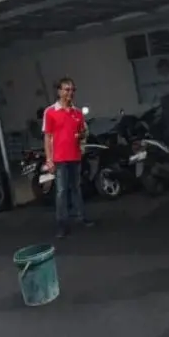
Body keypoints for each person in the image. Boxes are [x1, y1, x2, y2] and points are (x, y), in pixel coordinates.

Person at [43, 77, 94, 237]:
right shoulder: (50, 112)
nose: (70, 93)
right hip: (59, 158)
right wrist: (49, 159)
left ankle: (82, 217)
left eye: (72, 90)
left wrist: (81, 135)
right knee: (61, 191)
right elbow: (47, 137)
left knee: (76, 189)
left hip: (75, 157)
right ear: (59, 91)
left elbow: (83, 132)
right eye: (67, 89)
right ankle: (62, 224)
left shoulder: (77, 113)